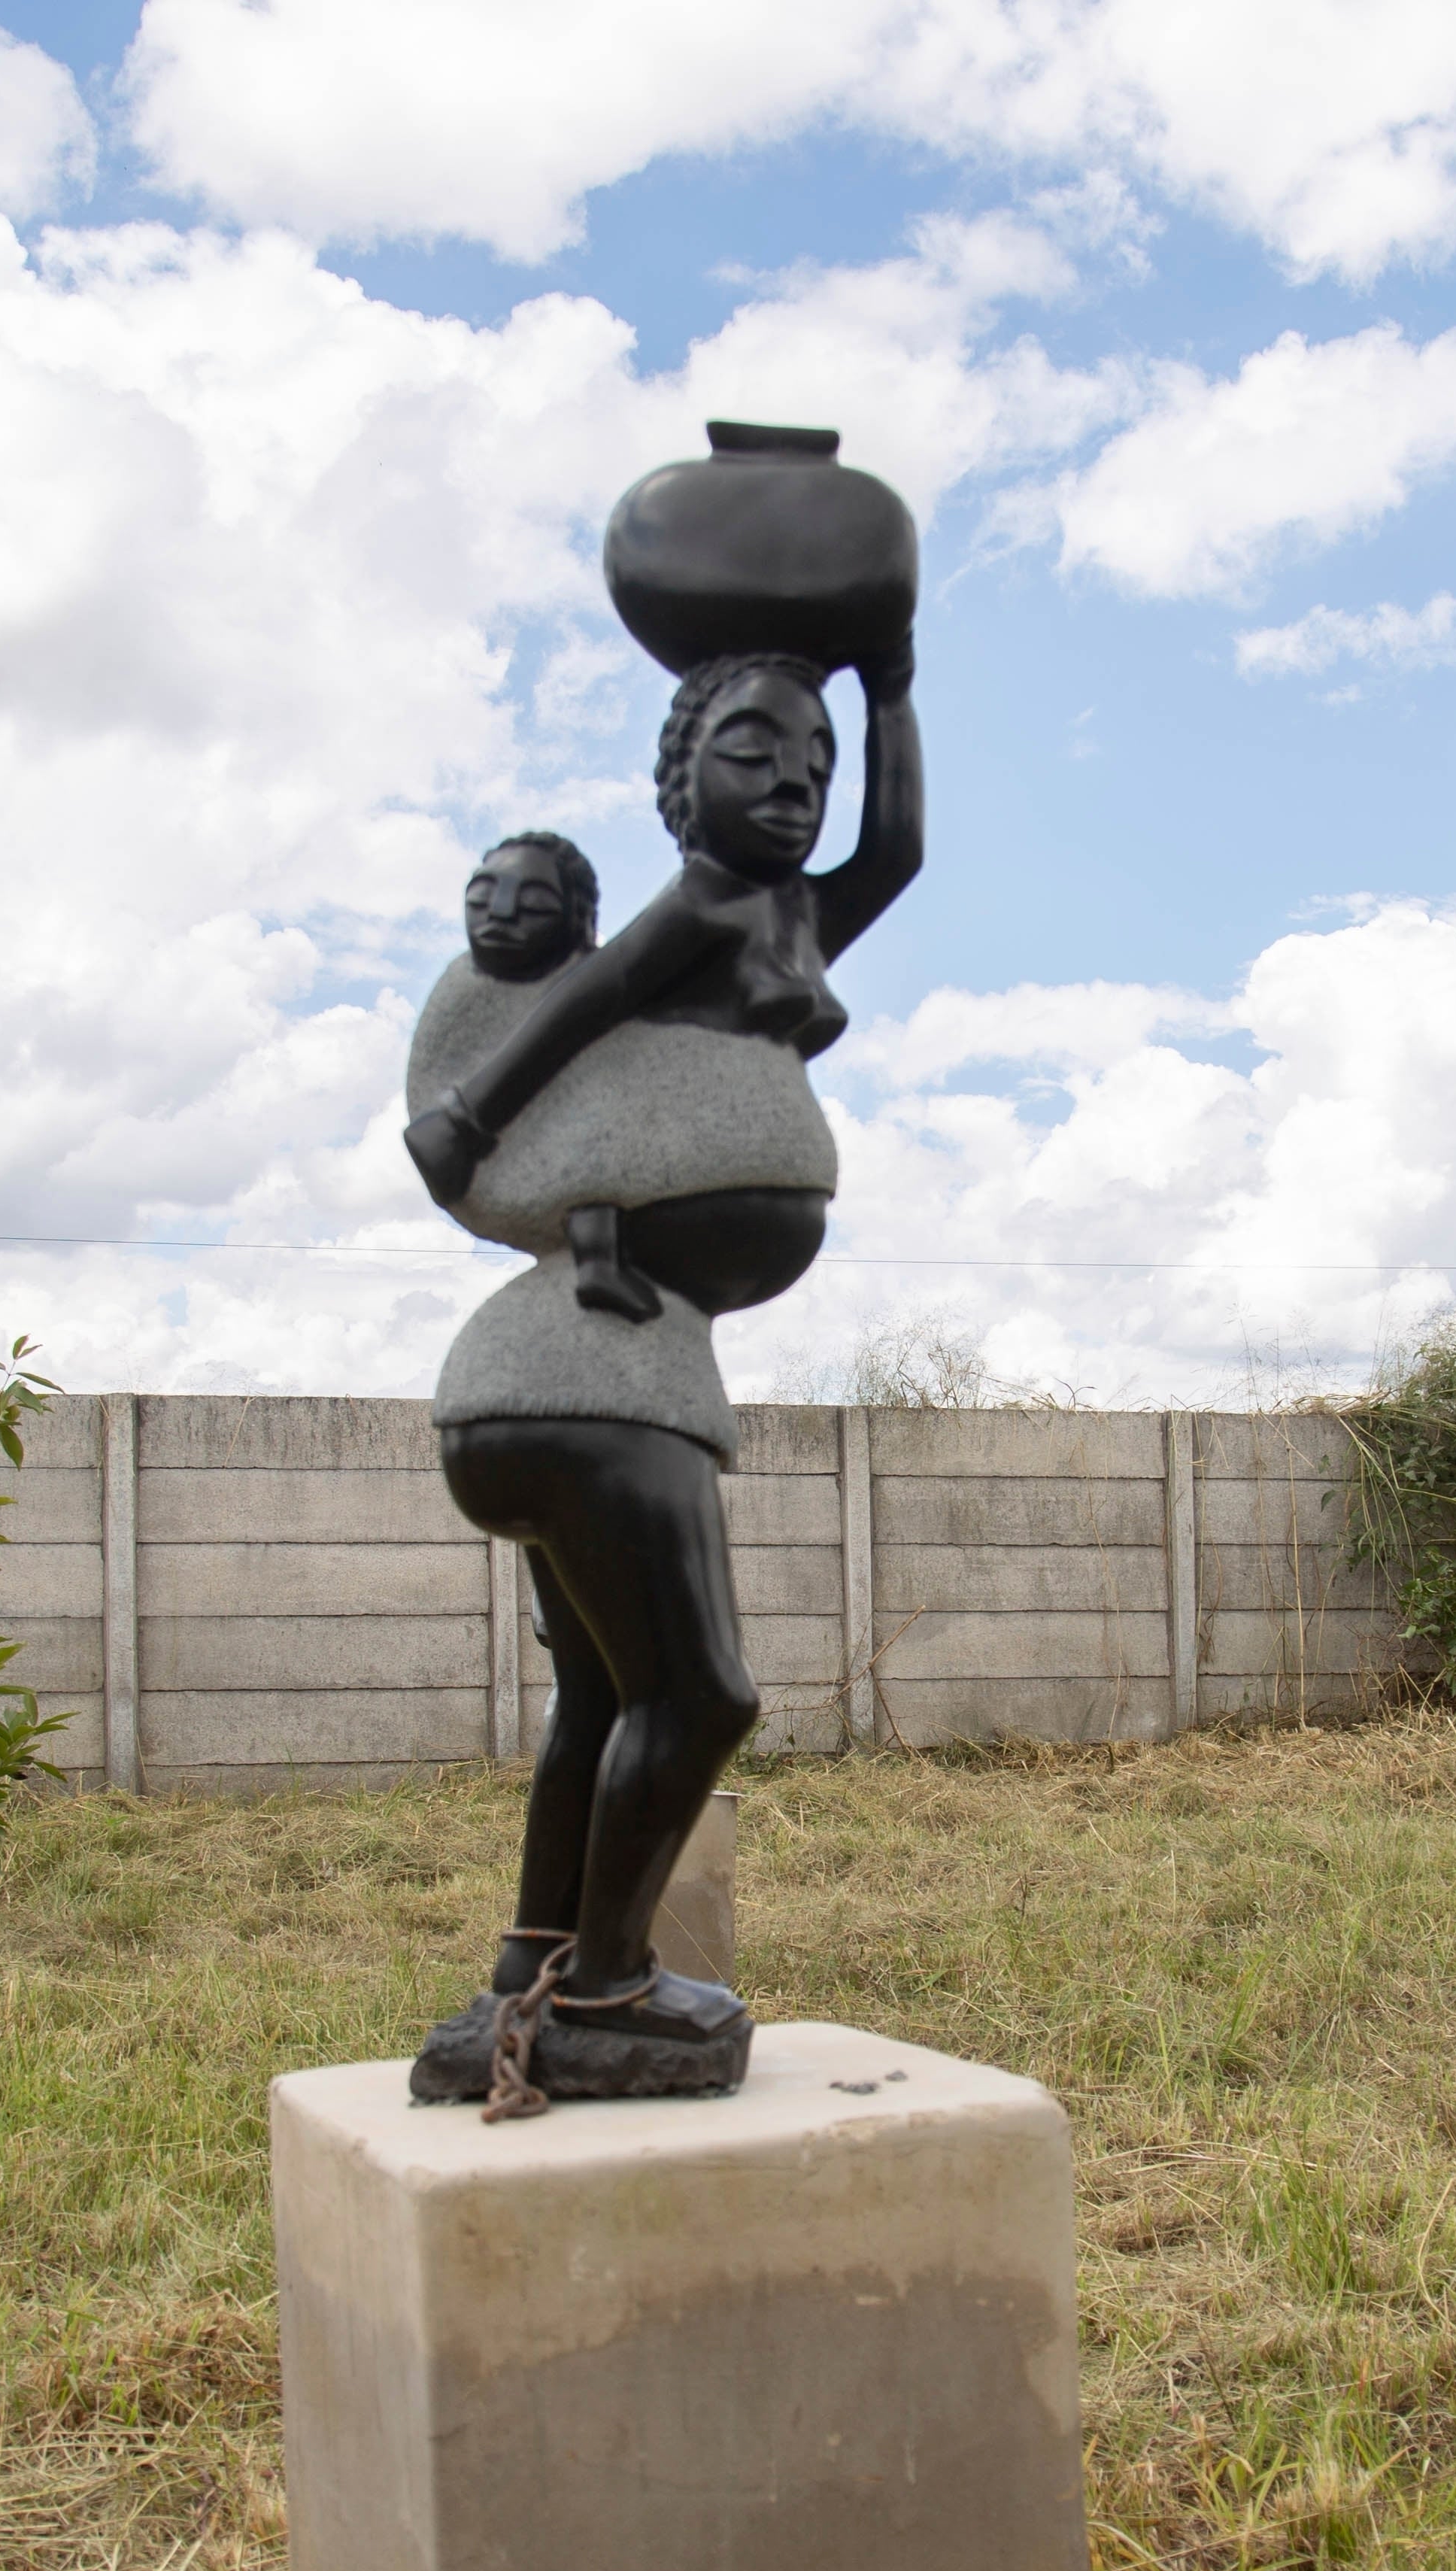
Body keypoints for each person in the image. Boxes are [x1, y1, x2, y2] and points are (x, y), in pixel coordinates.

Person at [398, 647, 920, 2083]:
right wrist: (467, 1112)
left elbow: (903, 848)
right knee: (701, 1697)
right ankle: (612, 1995)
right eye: (756, 751)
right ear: (683, 783)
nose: (797, 780)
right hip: (597, 1386)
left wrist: (893, 688)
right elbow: (579, 1005)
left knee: (600, 1695)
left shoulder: (790, 917)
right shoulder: (698, 904)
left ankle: (532, 1968)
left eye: (814, 759)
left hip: (565, 1383)